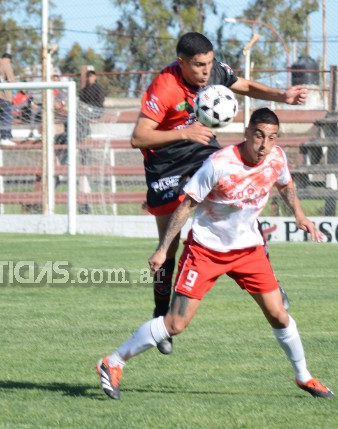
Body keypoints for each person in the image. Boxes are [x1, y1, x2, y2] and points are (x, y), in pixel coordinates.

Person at [97, 108, 334, 401]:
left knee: (278, 313)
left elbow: (285, 184)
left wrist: (299, 214)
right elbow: (186, 206)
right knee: (176, 324)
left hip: (248, 250)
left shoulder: (276, 158)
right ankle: (113, 362)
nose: (264, 144)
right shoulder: (219, 164)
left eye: (271, 138)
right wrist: (162, 249)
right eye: (259, 135)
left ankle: (304, 377)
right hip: (206, 251)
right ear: (247, 132)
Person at [130, 32, 307, 354]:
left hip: (201, 152)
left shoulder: (214, 72)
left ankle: (269, 278)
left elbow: (246, 86)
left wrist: (283, 96)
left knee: (242, 193)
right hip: (166, 167)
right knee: (167, 245)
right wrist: (184, 132)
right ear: (181, 62)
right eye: (198, 65)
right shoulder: (164, 86)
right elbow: (138, 137)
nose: (205, 71)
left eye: (209, 63)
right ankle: (160, 313)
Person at [0, 53, 16, 146]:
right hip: (5, 95)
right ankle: (5, 137)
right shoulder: (7, 65)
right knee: (7, 116)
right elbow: (11, 80)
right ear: (9, 59)